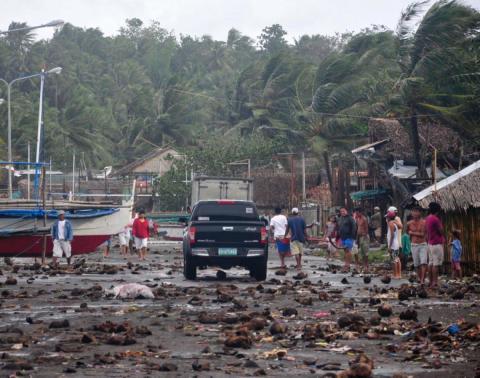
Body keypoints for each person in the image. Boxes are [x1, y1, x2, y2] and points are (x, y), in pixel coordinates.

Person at [425, 202, 445, 288]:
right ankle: (435, 282)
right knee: (436, 264)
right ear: (437, 210)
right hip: (436, 243)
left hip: (430, 243)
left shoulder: (428, 218)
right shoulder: (436, 219)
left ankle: (430, 281)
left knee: (431, 263)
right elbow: (441, 231)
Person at [407, 207, 427, 285]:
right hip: (414, 245)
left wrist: (412, 233)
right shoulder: (409, 223)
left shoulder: (423, 222)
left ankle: (422, 280)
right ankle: (420, 278)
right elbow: (408, 234)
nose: (415, 213)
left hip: (422, 244)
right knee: (417, 264)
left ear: (420, 213)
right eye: (413, 211)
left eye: (416, 211)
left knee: (423, 262)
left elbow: (422, 234)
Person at [338, 207, 357, 273]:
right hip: (342, 237)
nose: (342, 212)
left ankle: (348, 265)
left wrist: (352, 236)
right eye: (341, 211)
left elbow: (354, 227)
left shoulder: (350, 218)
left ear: (346, 211)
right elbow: (339, 227)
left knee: (348, 250)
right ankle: (346, 264)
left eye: (343, 211)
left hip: (349, 237)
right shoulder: (340, 218)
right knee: (345, 251)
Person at [354, 207, 369, 272]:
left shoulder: (364, 219)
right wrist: (357, 238)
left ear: (360, 212)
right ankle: (362, 265)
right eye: (355, 213)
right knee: (360, 251)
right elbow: (358, 229)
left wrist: (364, 236)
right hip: (359, 237)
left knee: (365, 252)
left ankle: (366, 265)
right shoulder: (357, 219)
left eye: (357, 213)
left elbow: (366, 229)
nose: (356, 214)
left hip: (364, 237)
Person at [387, 211, 401, 279]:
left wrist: (389, 246)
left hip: (393, 244)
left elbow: (392, 235)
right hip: (396, 243)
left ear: (389, 217)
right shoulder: (395, 223)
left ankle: (395, 274)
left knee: (394, 260)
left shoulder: (391, 223)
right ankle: (398, 274)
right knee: (397, 259)